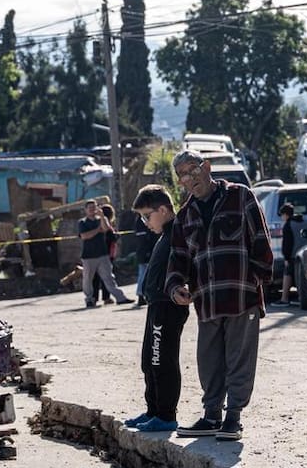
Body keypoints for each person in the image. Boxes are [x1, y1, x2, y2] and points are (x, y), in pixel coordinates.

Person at [165, 149, 273, 441]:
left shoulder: (240, 196)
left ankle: (233, 418)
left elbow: (261, 240)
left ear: (207, 167)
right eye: (182, 176)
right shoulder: (185, 215)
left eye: (192, 170)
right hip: (207, 300)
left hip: (241, 296)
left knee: (239, 359)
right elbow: (177, 259)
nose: (189, 179)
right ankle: (211, 415)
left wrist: (257, 281)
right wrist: (176, 287)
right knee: (210, 360)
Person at [124, 185, 190, 433]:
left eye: (146, 216)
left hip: (168, 306)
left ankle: (166, 415)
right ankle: (153, 410)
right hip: (155, 306)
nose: (144, 222)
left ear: (162, 209)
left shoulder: (177, 233)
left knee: (162, 360)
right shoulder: (163, 234)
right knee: (149, 361)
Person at [77, 199, 131, 307]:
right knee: (88, 279)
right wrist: (97, 230)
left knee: (109, 278)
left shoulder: (102, 219)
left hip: (102, 254)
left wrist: (102, 217)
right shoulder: (82, 222)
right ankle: (89, 299)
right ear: (86, 210)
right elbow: (84, 236)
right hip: (88, 256)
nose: (93, 209)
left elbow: (106, 229)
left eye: (94, 207)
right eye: (90, 208)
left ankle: (120, 298)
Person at [133, 206, 160, 306]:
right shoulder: (141, 222)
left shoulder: (142, 220)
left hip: (146, 251)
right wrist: (147, 251)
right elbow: (143, 239)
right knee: (143, 274)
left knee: (145, 273)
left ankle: (144, 294)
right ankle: (141, 295)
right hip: (145, 252)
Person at [99, 203, 123, 304]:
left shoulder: (105, 223)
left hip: (109, 251)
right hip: (107, 252)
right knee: (107, 276)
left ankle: (105, 296)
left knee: (105, 276)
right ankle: (106, 297)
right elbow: (110, 237)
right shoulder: (106, 224)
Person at [274, 201, 297, 306]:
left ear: (285, 214)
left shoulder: (288, 225)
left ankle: (284, 298)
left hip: (291, 255)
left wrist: (286, 258)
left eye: (282, 215)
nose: (281, 218)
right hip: (301, 253)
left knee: (287, 275)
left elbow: (287, 243)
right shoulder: (301, 221)